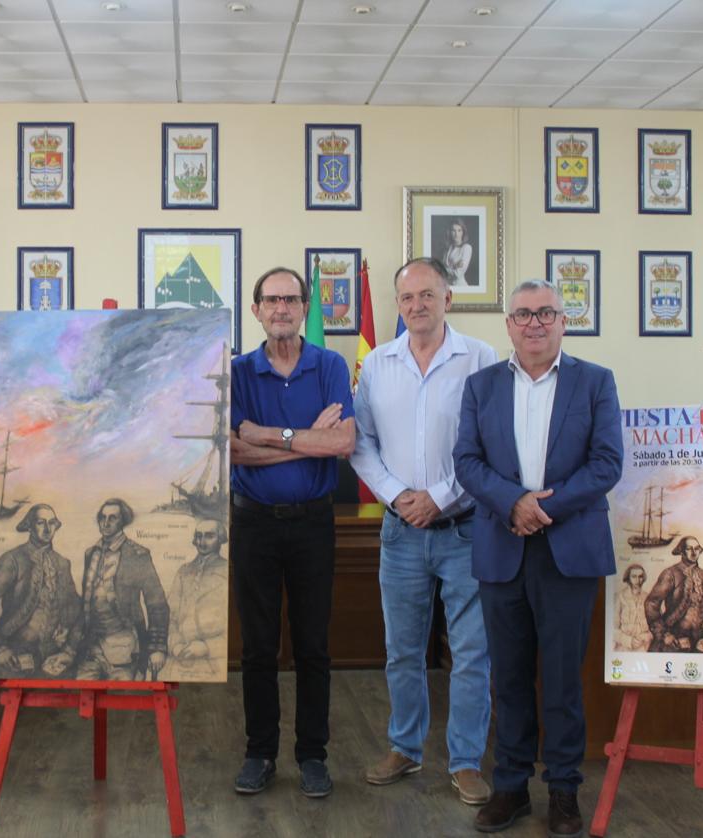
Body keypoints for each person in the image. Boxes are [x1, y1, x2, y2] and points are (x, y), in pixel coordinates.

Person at [453, 279, 622, 837]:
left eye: (545, 313)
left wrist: (542, 508)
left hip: (568, 551)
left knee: (563, 679)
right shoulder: (480, 387)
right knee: (508, 677)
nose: (534, 323)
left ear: (562, 321)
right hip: (503, 548)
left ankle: (565, 790)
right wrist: (512, 503)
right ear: (508, 325)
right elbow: (467, 461)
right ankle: (510, 787)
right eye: (523, 314)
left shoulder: (595, 382)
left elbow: (606, 464)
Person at [349, 258, 494, 805]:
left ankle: (465, 762)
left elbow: (490, 444)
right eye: (406, 298)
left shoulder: (480, 359)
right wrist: (398, 496)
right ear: (398, 304)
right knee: (403, 650)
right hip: (399, 532)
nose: (416, 306)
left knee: (471, 653)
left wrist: (439, 496)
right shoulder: (379, 364)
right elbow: (361, 443)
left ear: (448, 299)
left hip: (464, 530)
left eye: (427, 296)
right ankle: (405, 748)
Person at [229, 267, 355, 799]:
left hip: (312, 523)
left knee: (312, 645)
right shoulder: (235, 371)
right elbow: (231, 448)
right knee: (258, 648)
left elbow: (342, 444)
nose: (281, 307)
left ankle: (312, 755)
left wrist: (271, 435)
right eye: (271, 299)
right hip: (253, 523)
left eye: (291, 298)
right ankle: (260, 752)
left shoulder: (329, 365)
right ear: (255, 310)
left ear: (305, 308)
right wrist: (304, 438)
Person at [0, 504, 81, 678]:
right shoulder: (13, 559)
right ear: (30, 526)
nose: (47, 529)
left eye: (52, 523)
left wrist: (69, 648)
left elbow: (77, 610)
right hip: (12, 652)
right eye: (40, 523)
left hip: (51, 657)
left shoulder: (62, 563)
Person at [77, 498, 169, 681]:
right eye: (102, 517)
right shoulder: (90, 553)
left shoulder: (138, 555)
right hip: (92, 648)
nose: (106, 522)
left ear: (123, 521)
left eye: (112, 518)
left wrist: (157, 648)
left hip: (126, 648)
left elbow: (157, 603)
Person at [161, 519, 229, 681]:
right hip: (179, 656)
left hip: (214, 659)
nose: (202, 542)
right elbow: (169, 615)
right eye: (198, 536)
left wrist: (207, 647)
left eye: (209, 536)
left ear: (220, 539)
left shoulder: (228, 570)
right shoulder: (184, 572)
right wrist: (175, 645)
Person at [644, 537, 703, 653]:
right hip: (673, 639)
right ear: (681, 551)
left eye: (696, 549)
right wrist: (664, 634)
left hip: (700, 640)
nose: (694, 552)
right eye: (689, 549)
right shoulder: (670, 574)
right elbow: (651, 604)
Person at [613, 563, 653, 652]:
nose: (638, 580)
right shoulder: (620, 597)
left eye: (640, 576)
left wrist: (648, 636)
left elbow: (655, 623)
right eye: (634, 576)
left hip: (645, 646)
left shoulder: (648, 597)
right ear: (628, 578)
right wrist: (627, 640)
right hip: (624, 648)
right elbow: (612, 629)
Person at [442, 218, 474, 288]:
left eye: (459, 230)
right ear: (450, 232)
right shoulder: (448, 248)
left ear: (463, 232)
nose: (456, 234)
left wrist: (445, 269)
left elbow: (457, 274)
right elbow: (441, 271)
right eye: (453, 230)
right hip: (448, 287)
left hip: (460, 286)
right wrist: (454, 266)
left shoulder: (466, 248)